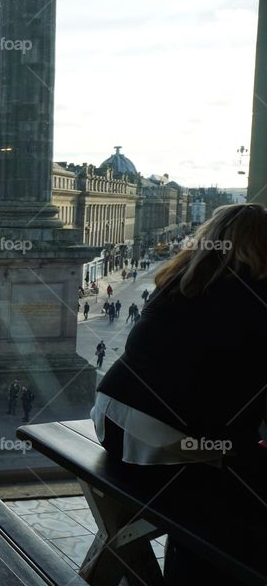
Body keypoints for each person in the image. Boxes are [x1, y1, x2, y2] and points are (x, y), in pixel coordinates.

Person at [91, 203, 267, 581]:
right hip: (165, 442)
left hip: (111, 419)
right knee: (238, 500)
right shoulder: (256, 295)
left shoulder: (183, 279)